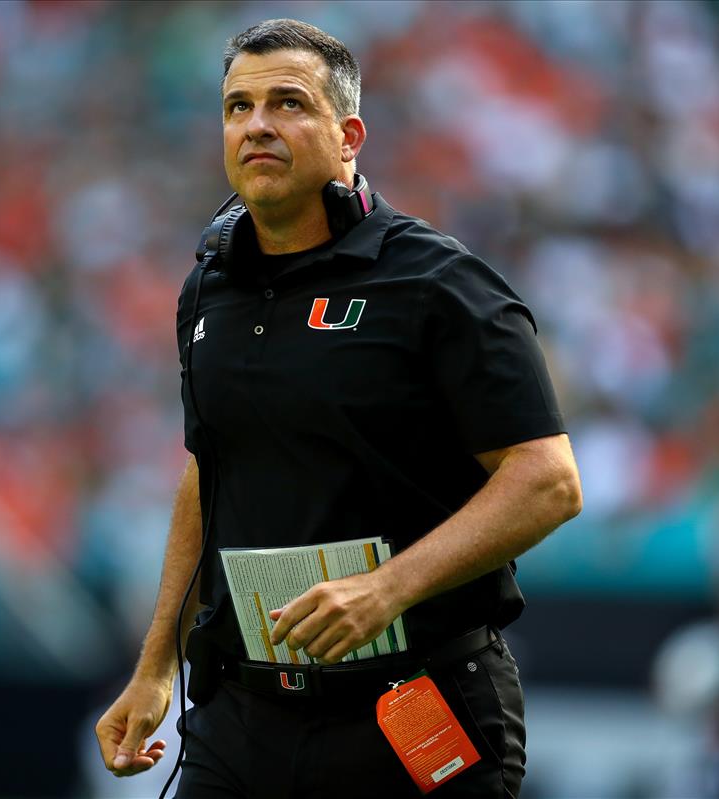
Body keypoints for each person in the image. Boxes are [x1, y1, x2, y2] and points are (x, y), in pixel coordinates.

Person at [95, 18, 582, 799]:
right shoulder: (206, 290)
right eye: (237, 107)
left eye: (287, 103)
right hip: (242, 716)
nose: (256, 125)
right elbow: (208, 470)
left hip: (414, 704)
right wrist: (158, 667)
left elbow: (549, 479)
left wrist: (387, 587)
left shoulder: (438, 284)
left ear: (348, 133)